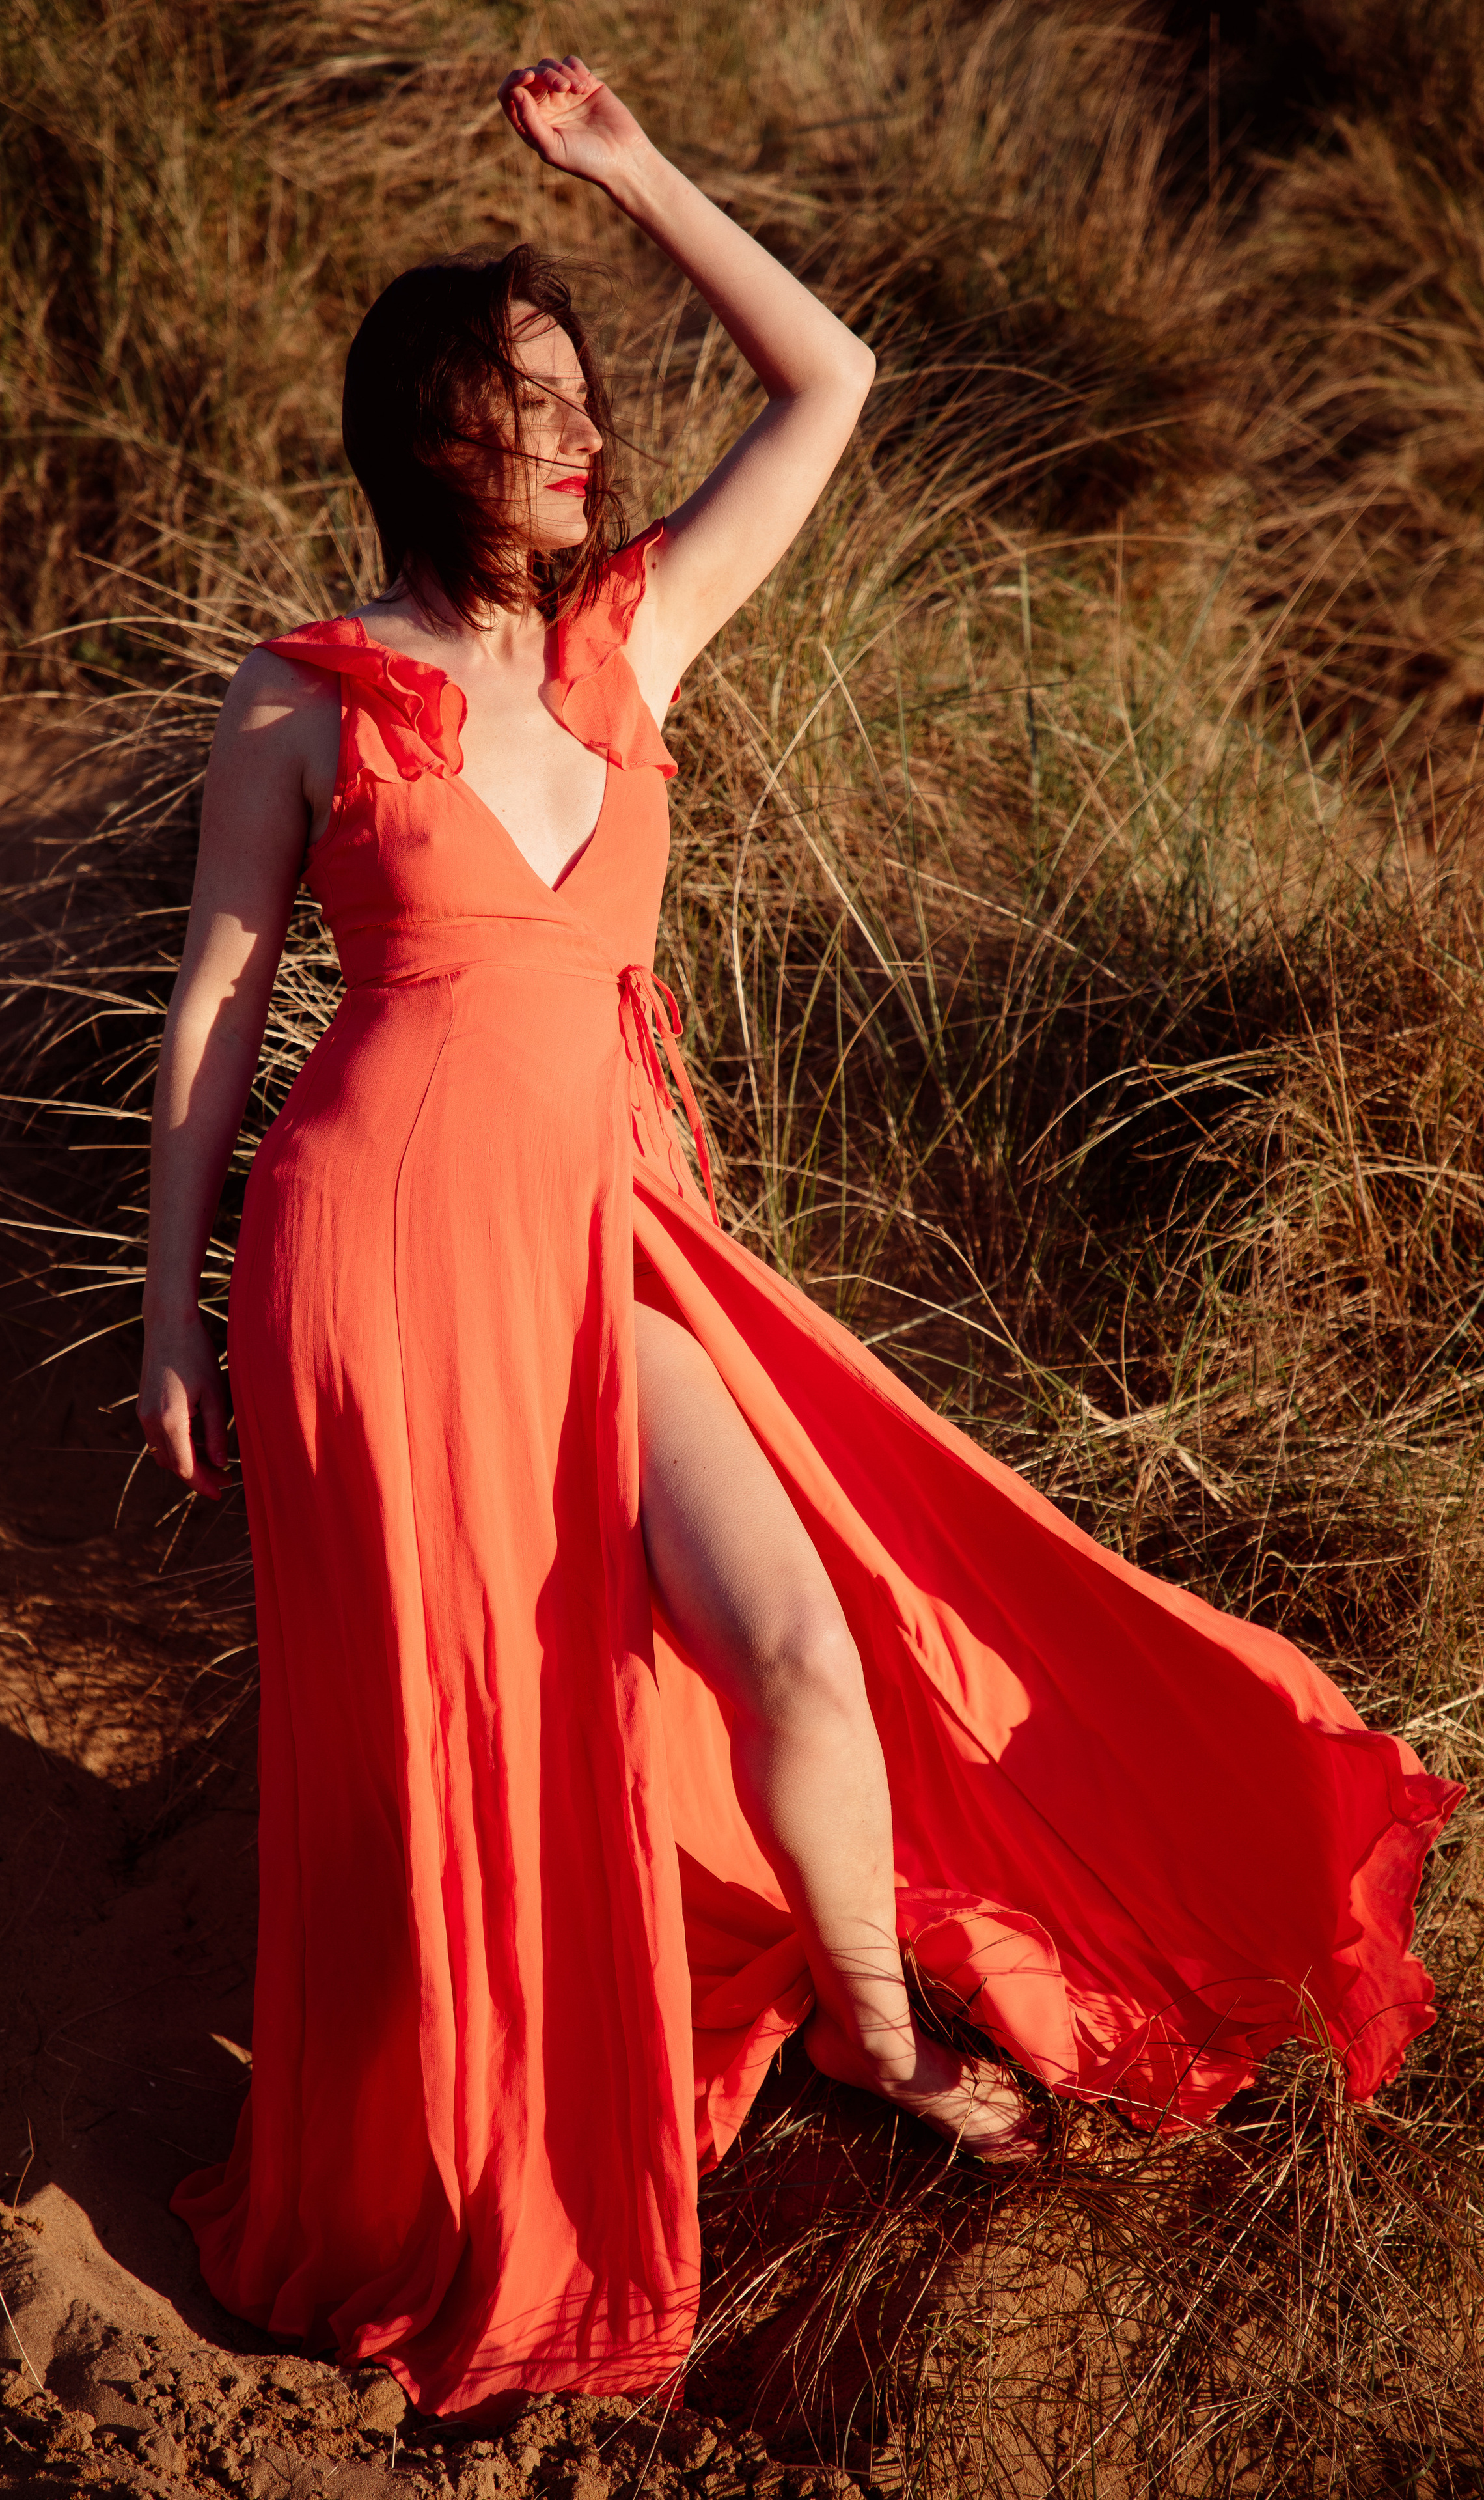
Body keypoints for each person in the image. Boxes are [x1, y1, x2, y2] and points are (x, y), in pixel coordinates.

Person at [139, 57, 1459, 2415]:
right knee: (431, 1747)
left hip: (607, 1242)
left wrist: (634, 172)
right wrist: (173, 1308)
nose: (572, 437)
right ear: (424, 433)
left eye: (574, 396)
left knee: (799, 1651)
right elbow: (226, 1002)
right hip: (363, 1268)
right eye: (522, 403)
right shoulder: (302, 697)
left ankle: (868, 2026)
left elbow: (833, 376)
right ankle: (429, 2170)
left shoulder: (635, 636)